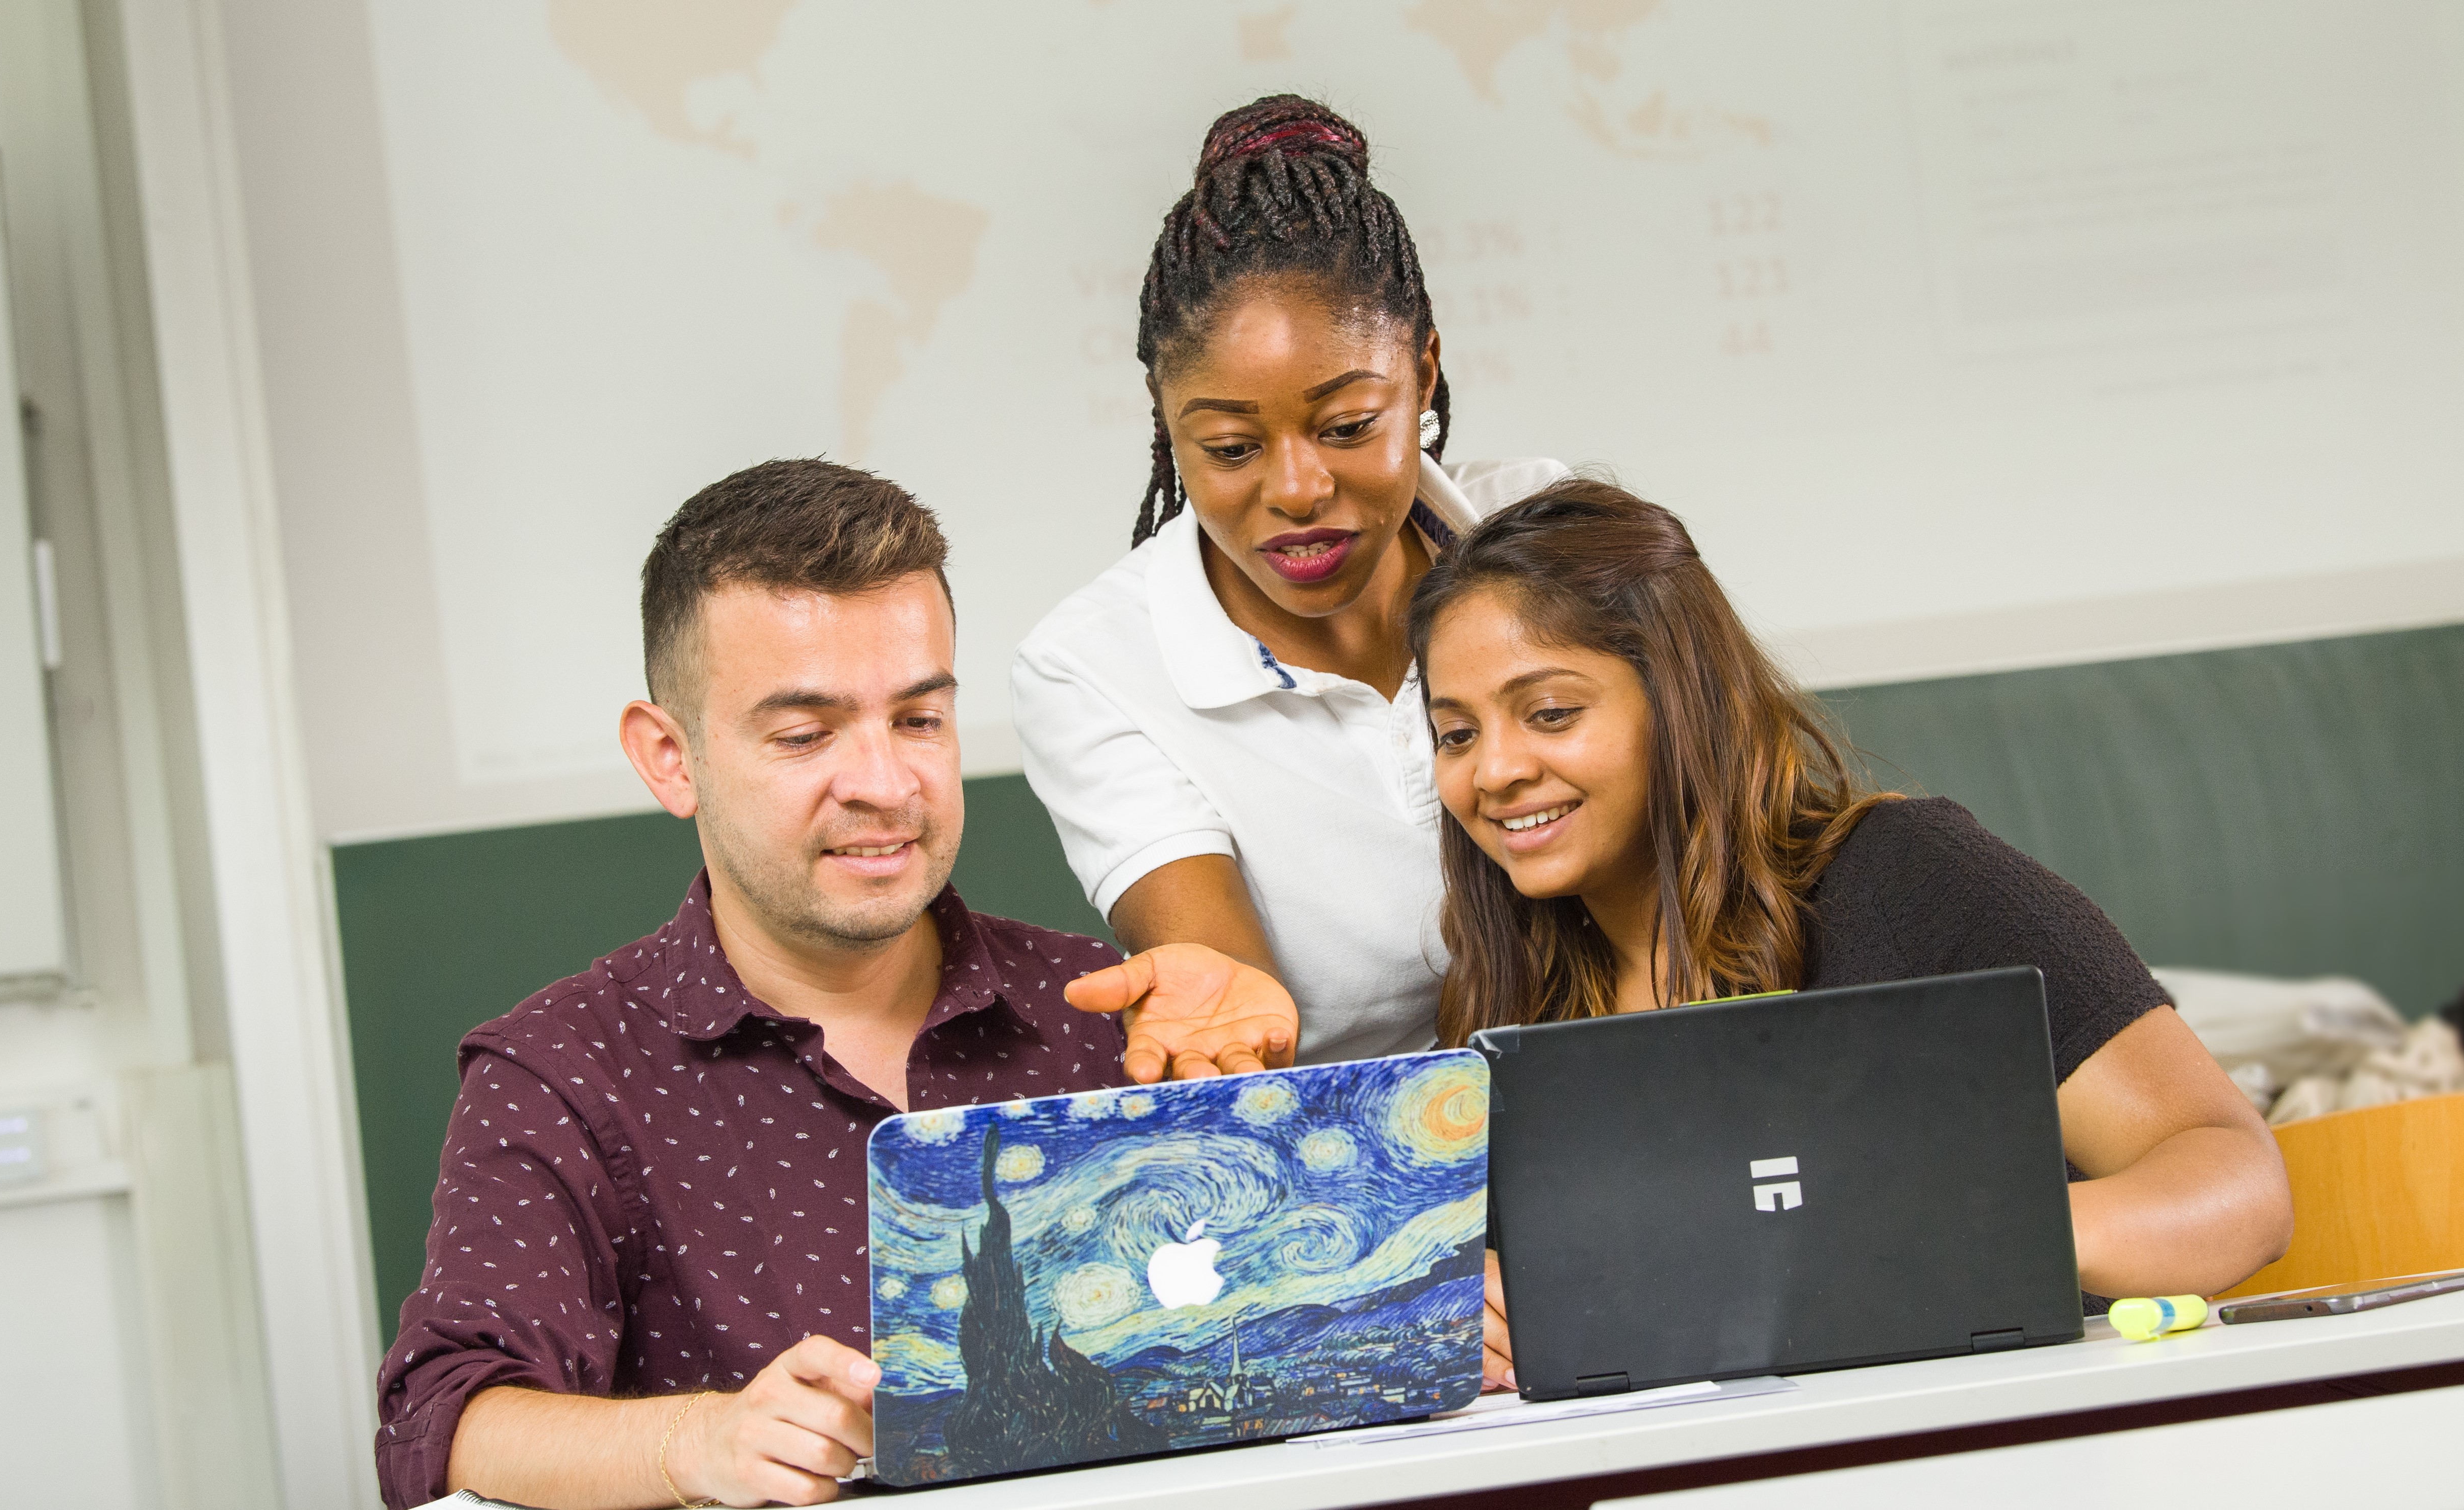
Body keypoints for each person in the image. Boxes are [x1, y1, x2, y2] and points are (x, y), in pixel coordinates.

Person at [375, 461, 1293, 1509]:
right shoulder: (560, 1074)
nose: (885, 784)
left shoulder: (1110, 1019)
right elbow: (443, 1419)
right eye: (805, 735)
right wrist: (696, 1441)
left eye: (918, 720)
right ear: (670, 759)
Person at [1406, 480, 2295, 1390]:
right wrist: (1462, 1310)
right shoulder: (1496, 998)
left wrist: (1943, 1235)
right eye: (1455, 734)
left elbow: (2238, 1188)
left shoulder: (1907, 876)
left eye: (1551, 712)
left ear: (1679, 698)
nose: (1497, 770)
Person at [1015, 95, 1569, 1066]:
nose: (1298, 490)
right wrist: (1228, 1015)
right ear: (1166, 421)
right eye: (1230, 446)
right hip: (1374, 1175)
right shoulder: (1091, 665)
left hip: (1643, 1103)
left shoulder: (1554, 534)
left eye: (1349, 426)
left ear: (1424, 371)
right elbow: (1226, 987)